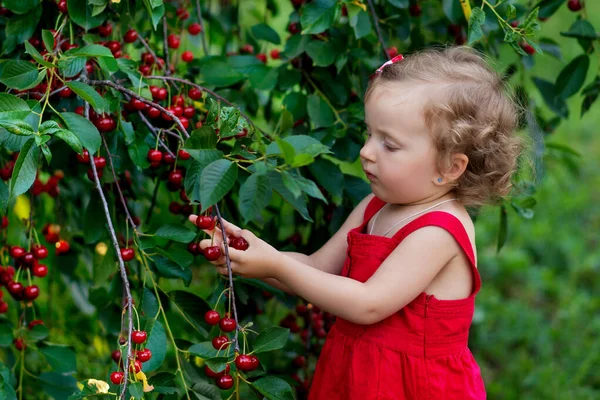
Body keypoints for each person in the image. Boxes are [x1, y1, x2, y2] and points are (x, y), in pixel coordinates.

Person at [188, 45, 523, 400]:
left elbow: (368, 304)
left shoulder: (439, 231)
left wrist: (276, 265)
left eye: (389, 145)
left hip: (413, 387)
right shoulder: (374, 207)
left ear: (450, 168)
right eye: (369, 134)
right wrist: (251, 257)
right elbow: (318, 269)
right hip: (355, 374)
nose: (366, 151)